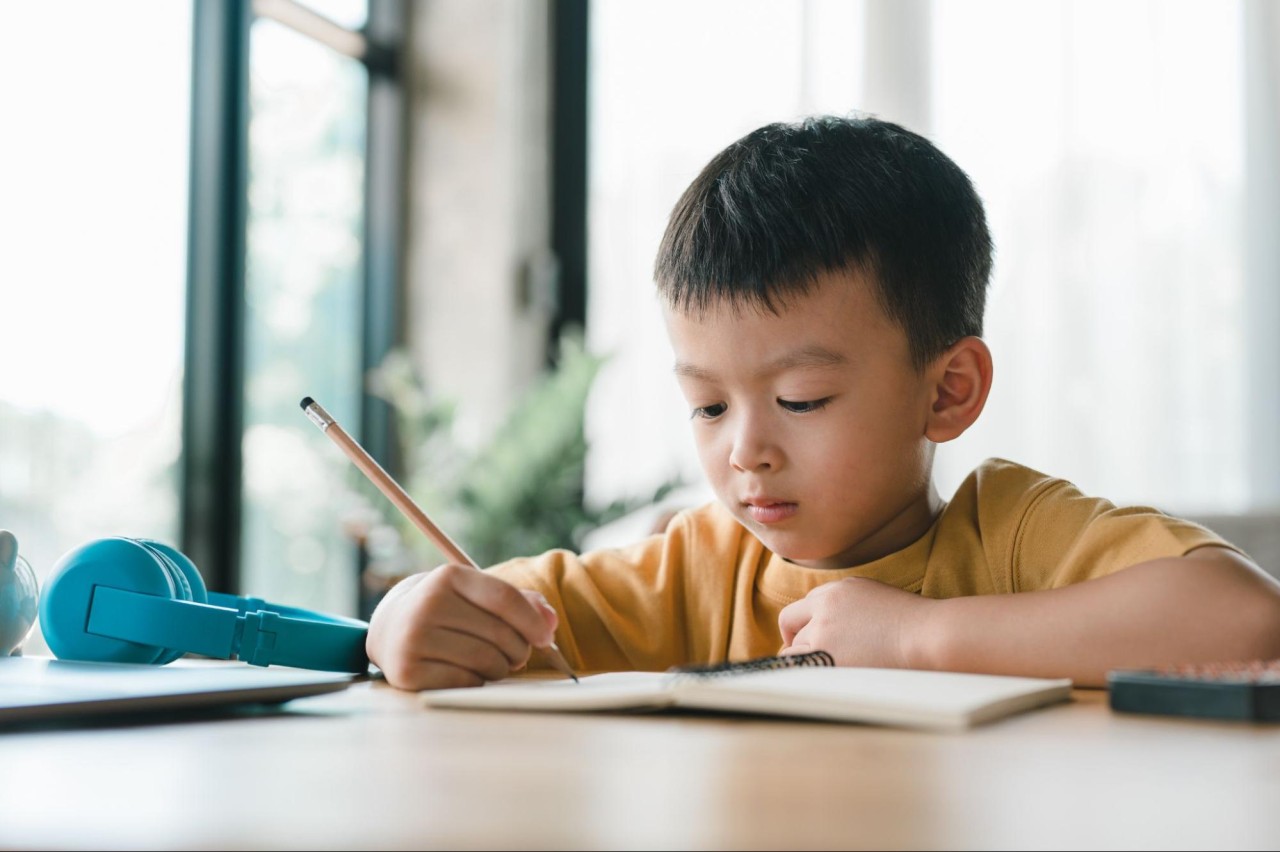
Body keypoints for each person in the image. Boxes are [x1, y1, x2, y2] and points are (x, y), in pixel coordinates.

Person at [366, 114, 1280, 691]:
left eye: (801, 399)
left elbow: (1246, 617)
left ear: (948, 391)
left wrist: (918, 639)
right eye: (709, 407)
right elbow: (492, 615)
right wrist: (404, 619)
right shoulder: (698, 566)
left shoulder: (1010, 538)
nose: (746, 451)